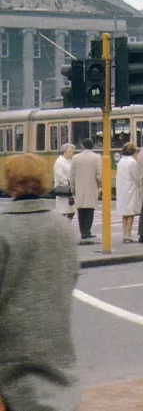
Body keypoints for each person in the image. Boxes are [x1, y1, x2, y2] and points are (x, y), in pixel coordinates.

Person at [0, 153, 81, 411]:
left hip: (10, 369)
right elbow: (69, 279)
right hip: (58, 364)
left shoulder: (3, 228)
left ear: (8, 181)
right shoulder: (63, 228)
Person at [69, 138, 101, 240]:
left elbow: (72, 175)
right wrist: (101, 186)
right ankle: (87, 231)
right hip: (91, 187)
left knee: (80, 210)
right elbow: (99, 174)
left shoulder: (75, 158)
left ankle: (83, 232)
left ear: (83, 146)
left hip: (79, 187)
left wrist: (72, 188)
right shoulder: (96, 157)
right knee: (90, 210)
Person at [116, 142, 141, 244]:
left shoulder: (121, 161)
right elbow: (137, 176)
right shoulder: (132, 162)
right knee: (130, 213)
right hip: (131, 189)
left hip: (122, 189)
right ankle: (128, 235)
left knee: (124, 214)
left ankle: (124, 234)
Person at [53, 143, 76, 220]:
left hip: (70, 190)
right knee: (63, 211)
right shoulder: (59, 162)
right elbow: (59, 176)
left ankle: (68, 225)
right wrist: (69, 181)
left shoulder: (70, 161)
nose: (71, 153)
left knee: (71, 211)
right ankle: (64, 226)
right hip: (62, 189)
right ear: (64, 152)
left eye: (72, 151)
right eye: (69, 151)